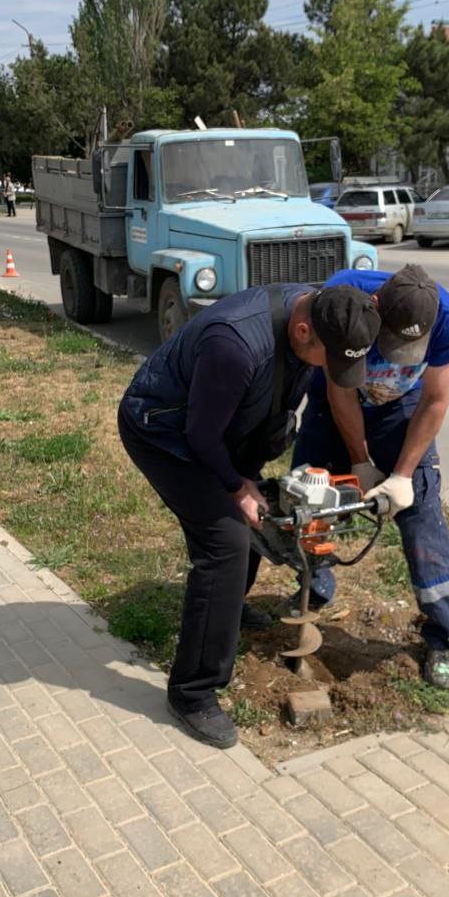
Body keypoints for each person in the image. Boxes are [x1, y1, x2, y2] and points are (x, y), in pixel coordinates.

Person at [118, 282, 381, 749]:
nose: (334, 371)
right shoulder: (234, 345)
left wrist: (250, 481)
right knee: (225, 544)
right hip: (164, 432)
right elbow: (200, 435)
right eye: (331, 359)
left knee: (258, 511)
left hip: (223, 429)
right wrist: (235, 486)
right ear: (303, 330)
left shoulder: (321, 311)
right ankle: (193, 693)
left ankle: (229, 607)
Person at [293, 264, 449, 689]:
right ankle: (314, 590)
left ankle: (444, 634)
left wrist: (404, 475)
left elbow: (435, 400)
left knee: (422, 510)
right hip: (336, 399)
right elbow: (340, 388)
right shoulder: (344, 297)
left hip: (401, 409)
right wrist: (359, 461)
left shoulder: (447, 319)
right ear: (375, 309)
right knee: (310, 496)